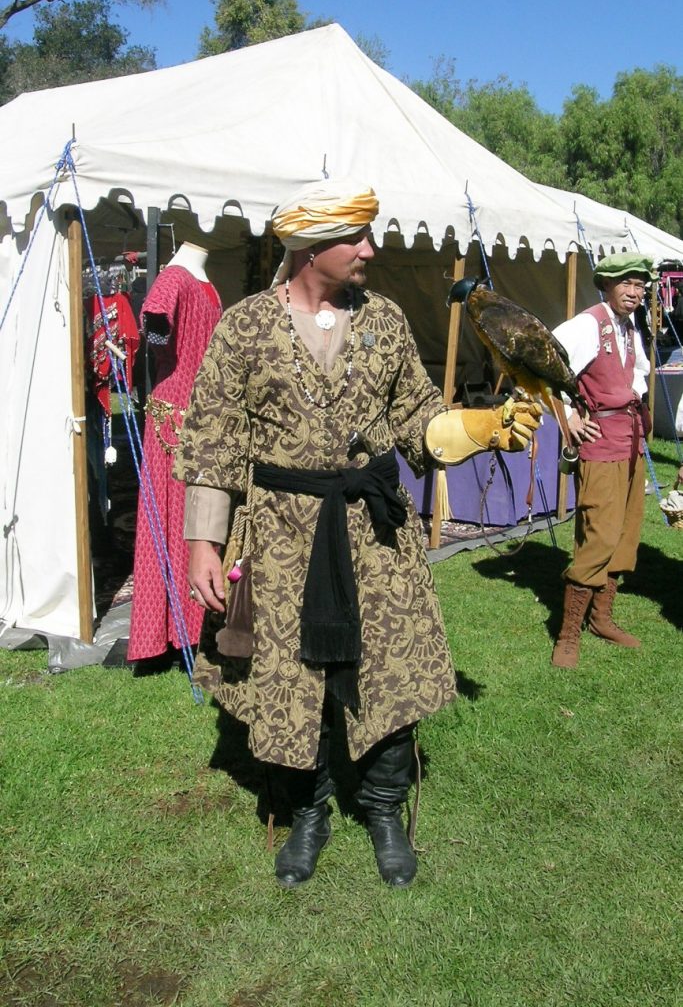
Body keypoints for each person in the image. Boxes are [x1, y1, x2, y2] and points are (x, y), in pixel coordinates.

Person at [174, 179, 541, 889]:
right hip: (282, 534)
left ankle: (381, 811)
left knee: (388, 670)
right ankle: (307, 813)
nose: (370, 249)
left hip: (374, 531)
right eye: (356, 238)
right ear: (310, 247)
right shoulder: (245, 326)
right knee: (291, 676)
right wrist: (203, 542)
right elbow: (213, 441)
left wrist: (480, 427)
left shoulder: (386, 321)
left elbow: (414, 424)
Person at [550, 252, 656, 669]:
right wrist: (569, 414)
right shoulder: (587, 323)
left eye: (640, 287)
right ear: (607, 285)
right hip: (601, 441)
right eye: (626, 284)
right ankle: (568, 634)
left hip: (630, 440)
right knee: (599, 533)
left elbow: (637, 375)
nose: (634, 293)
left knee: (625, 534)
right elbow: (550, 365)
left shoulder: (630, 327)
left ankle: (602, 618)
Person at [127, 243, 222, 671]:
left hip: (203, 414)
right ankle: (163, 637)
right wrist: (165, 350)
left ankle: (193, 629)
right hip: (174, 415)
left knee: (197, 521)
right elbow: (155, 324)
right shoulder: (174, 277)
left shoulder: (208, 285)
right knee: (169, 520)